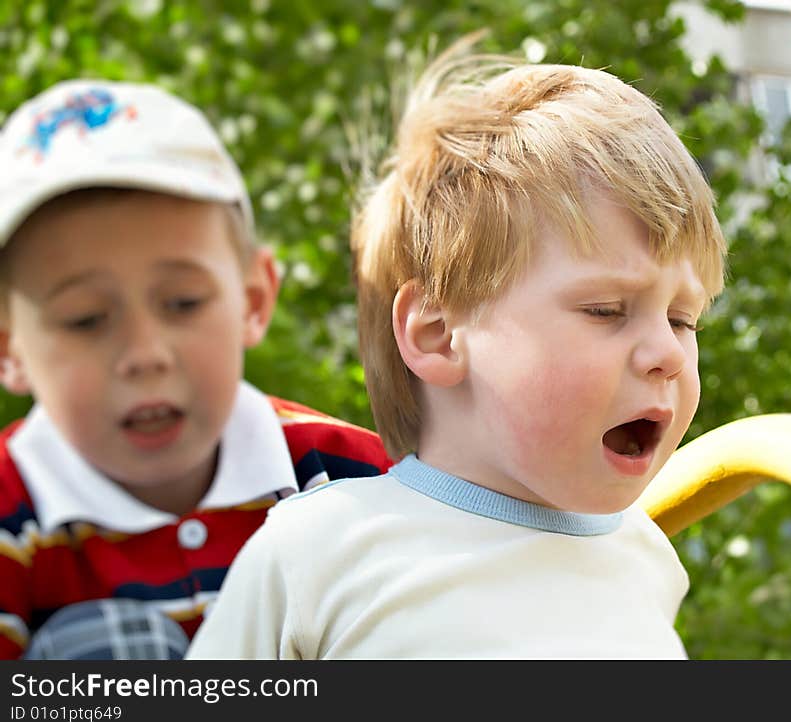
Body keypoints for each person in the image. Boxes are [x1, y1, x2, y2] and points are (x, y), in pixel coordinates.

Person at [186, 38, 728, 659]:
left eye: (685, 320)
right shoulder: (320, 550)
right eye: (605, 310)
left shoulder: (649, 560)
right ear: (438, 334)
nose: (668, 352)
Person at [0, 79, 393, 660]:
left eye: (183, 303)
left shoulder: (351, 479)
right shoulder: (13, 520)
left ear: (253, 301)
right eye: (85, 320)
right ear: (10, 348)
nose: (145, 353)